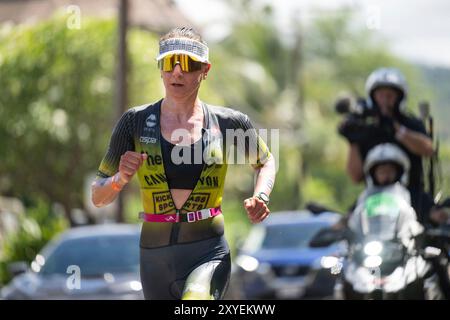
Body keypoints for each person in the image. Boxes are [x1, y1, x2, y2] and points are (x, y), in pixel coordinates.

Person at [91, 27, 276, 300]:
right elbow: (98, 196)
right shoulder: (134, 122)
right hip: (154, 256)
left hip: (207, 251)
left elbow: (265, 161)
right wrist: (120, 178)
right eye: (169, 63)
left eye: (188, 64)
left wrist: (261, 195)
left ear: (205, 69)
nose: (177, 72)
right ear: (161, 68)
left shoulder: (229, 122)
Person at [339, 67, 434, 220]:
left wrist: (396, 128)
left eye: (390, 95)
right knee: (344, 223)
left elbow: (428, 149)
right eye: (380, 95)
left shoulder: (411, 123)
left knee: (438, 219)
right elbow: (355, 177)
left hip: (413, 197)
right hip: (373, 199)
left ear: (399, 97)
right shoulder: (366, 129)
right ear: (372, 96)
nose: (385, 100)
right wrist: (352, 141)